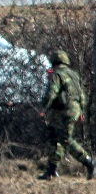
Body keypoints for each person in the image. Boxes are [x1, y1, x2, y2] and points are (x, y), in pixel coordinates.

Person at [39, 50, 94, 180]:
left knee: (65, 139)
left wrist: (43, 108)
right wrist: (80, 110)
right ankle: (52, 170)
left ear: (53, 62)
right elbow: (82, 95)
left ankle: (89, 162)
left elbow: (52, 93)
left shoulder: (57, 75)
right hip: (73, 109)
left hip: (63, 111)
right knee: (54, 138)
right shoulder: (74, 75)